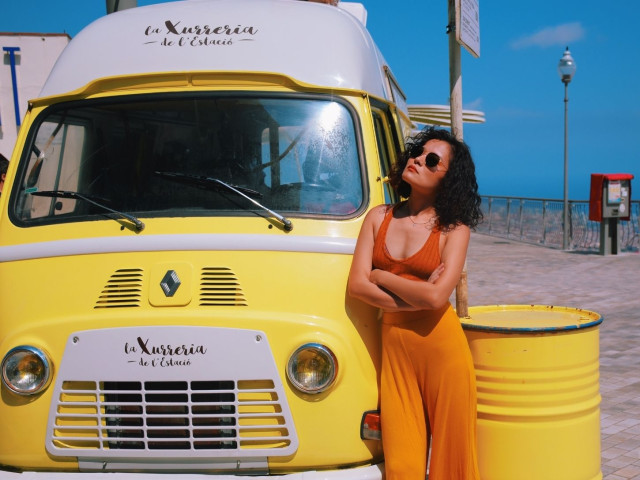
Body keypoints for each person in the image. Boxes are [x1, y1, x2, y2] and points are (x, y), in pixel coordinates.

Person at [347, 127, 482, 479]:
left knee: (452, 463)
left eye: (432, 160)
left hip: (442, 348)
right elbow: (356, 286)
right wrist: (415, 298)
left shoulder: (455, 230)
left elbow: (438, 297)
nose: (419, 160)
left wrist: (384, 277)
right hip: (396, 351)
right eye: (418, 153)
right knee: (403, 464)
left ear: (448, 179)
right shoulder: (378, 217)